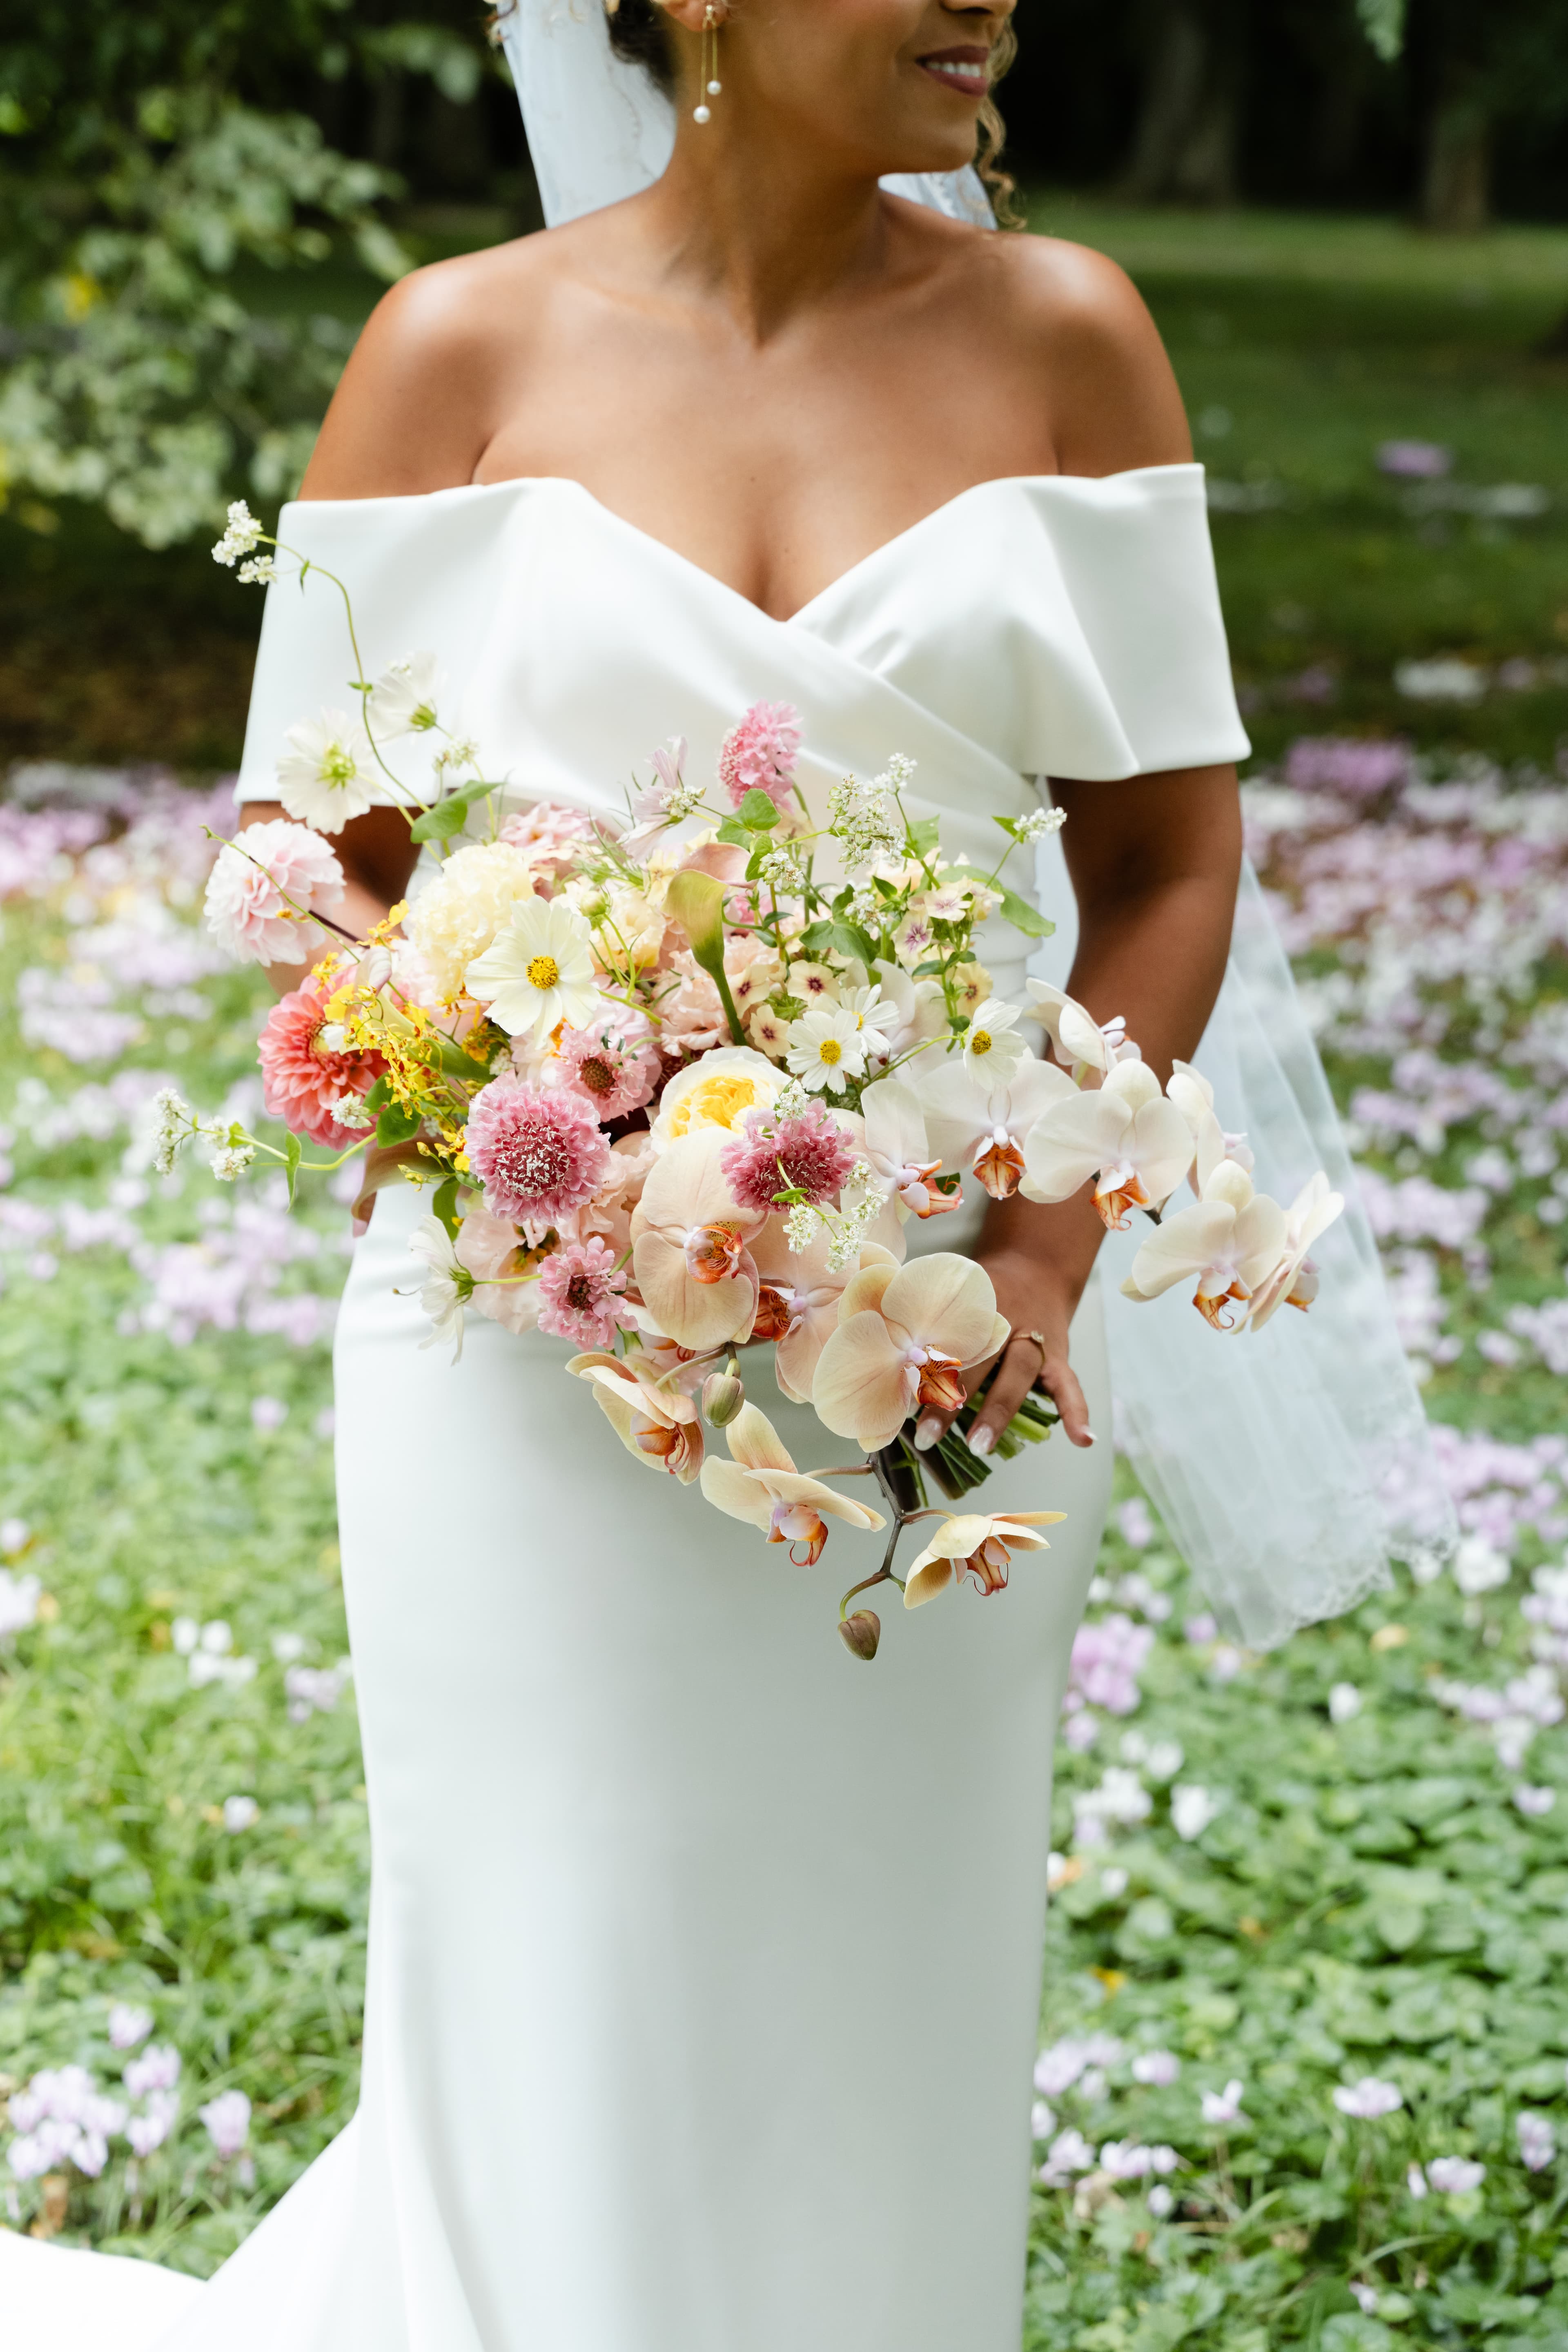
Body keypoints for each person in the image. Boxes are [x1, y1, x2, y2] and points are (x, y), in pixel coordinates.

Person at [6, 3, 1447, 2345]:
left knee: (882, 2001)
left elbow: (1176, 860)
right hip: (529, 1362)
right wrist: (519, 1100)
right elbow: (308, 856)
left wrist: (1051, 1257)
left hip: (944, 1355)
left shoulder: (1072, 336)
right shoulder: (451, 351)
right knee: (544, 1979)